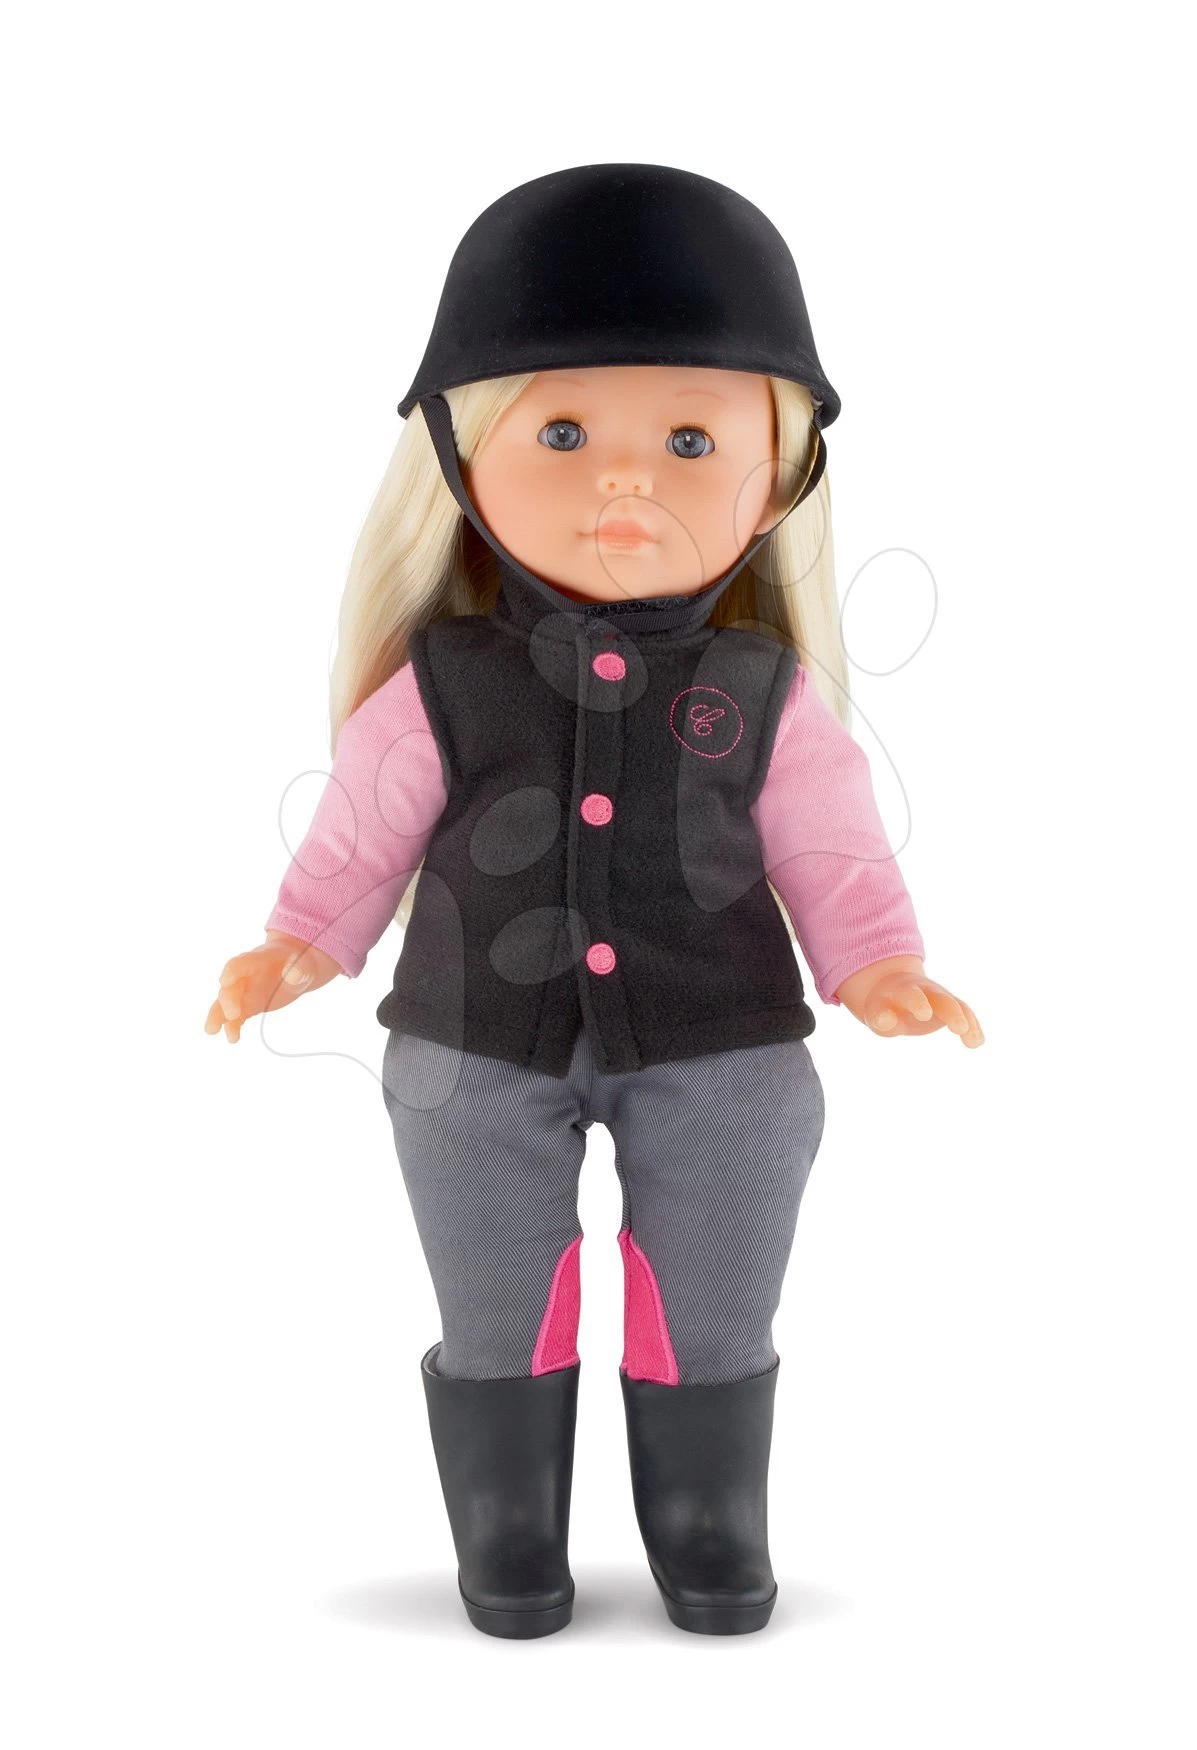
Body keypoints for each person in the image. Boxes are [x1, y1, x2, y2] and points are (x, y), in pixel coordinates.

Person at [205, 163, 983, 1639]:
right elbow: (364, 827)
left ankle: (707, 1516)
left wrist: (878, 965)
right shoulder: (443, 682)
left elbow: (831, 843)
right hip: (474, 1037)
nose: (627, 480)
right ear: (461, 456)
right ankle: (508, 1524)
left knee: (719, 1274)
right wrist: (298, 944)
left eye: (691, 440)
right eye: (561, 434)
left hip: (721, 1036)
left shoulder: (765, 688)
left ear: (779, 473)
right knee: (494, 1274)